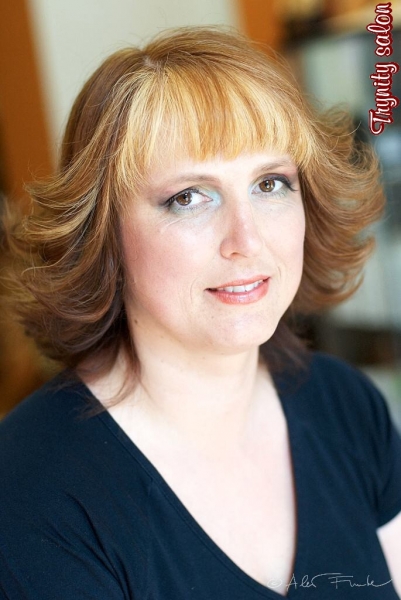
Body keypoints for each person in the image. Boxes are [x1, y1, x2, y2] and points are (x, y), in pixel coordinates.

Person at [1, 26, 400, 600]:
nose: (247, 240)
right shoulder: (33, 494)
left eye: (270, 183)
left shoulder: (347, 407)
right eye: (188, 197)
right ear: (104, 235)